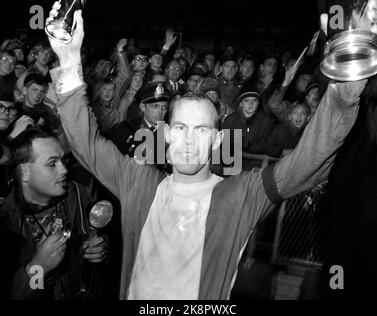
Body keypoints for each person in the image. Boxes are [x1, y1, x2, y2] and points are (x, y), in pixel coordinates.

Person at [47, 5, 365, 300]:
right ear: (167, 134)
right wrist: (68, 59)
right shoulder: (138, 182)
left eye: (201, 131)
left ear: (216, 141)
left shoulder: (241, 194)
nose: (188, 140)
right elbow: (84, 141)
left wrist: (346, 87)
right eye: (181, 128)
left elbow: (308, 162)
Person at [0, 128, 108, 299]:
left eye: (63, 160)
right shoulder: (5, 220)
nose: (64, 169)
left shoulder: (81, 195)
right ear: (24, 172)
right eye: (52, 164)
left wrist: (100, 249)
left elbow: (97, 235)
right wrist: (38, 267)